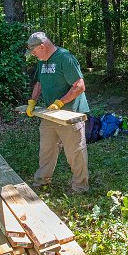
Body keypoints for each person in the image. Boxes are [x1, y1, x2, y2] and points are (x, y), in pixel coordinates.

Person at [25, 32, 90, 194]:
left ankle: (80, 186)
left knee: (75, 152)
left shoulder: (65, 58)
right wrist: (32, 101)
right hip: (50, 113)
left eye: (34, 51)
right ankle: (42, 180)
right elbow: (39, 82)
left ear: (42, 46)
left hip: (70, 114)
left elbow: (79, 86)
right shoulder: (42, 61)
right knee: (46, 149)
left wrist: (60, 102)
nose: (33, 54)